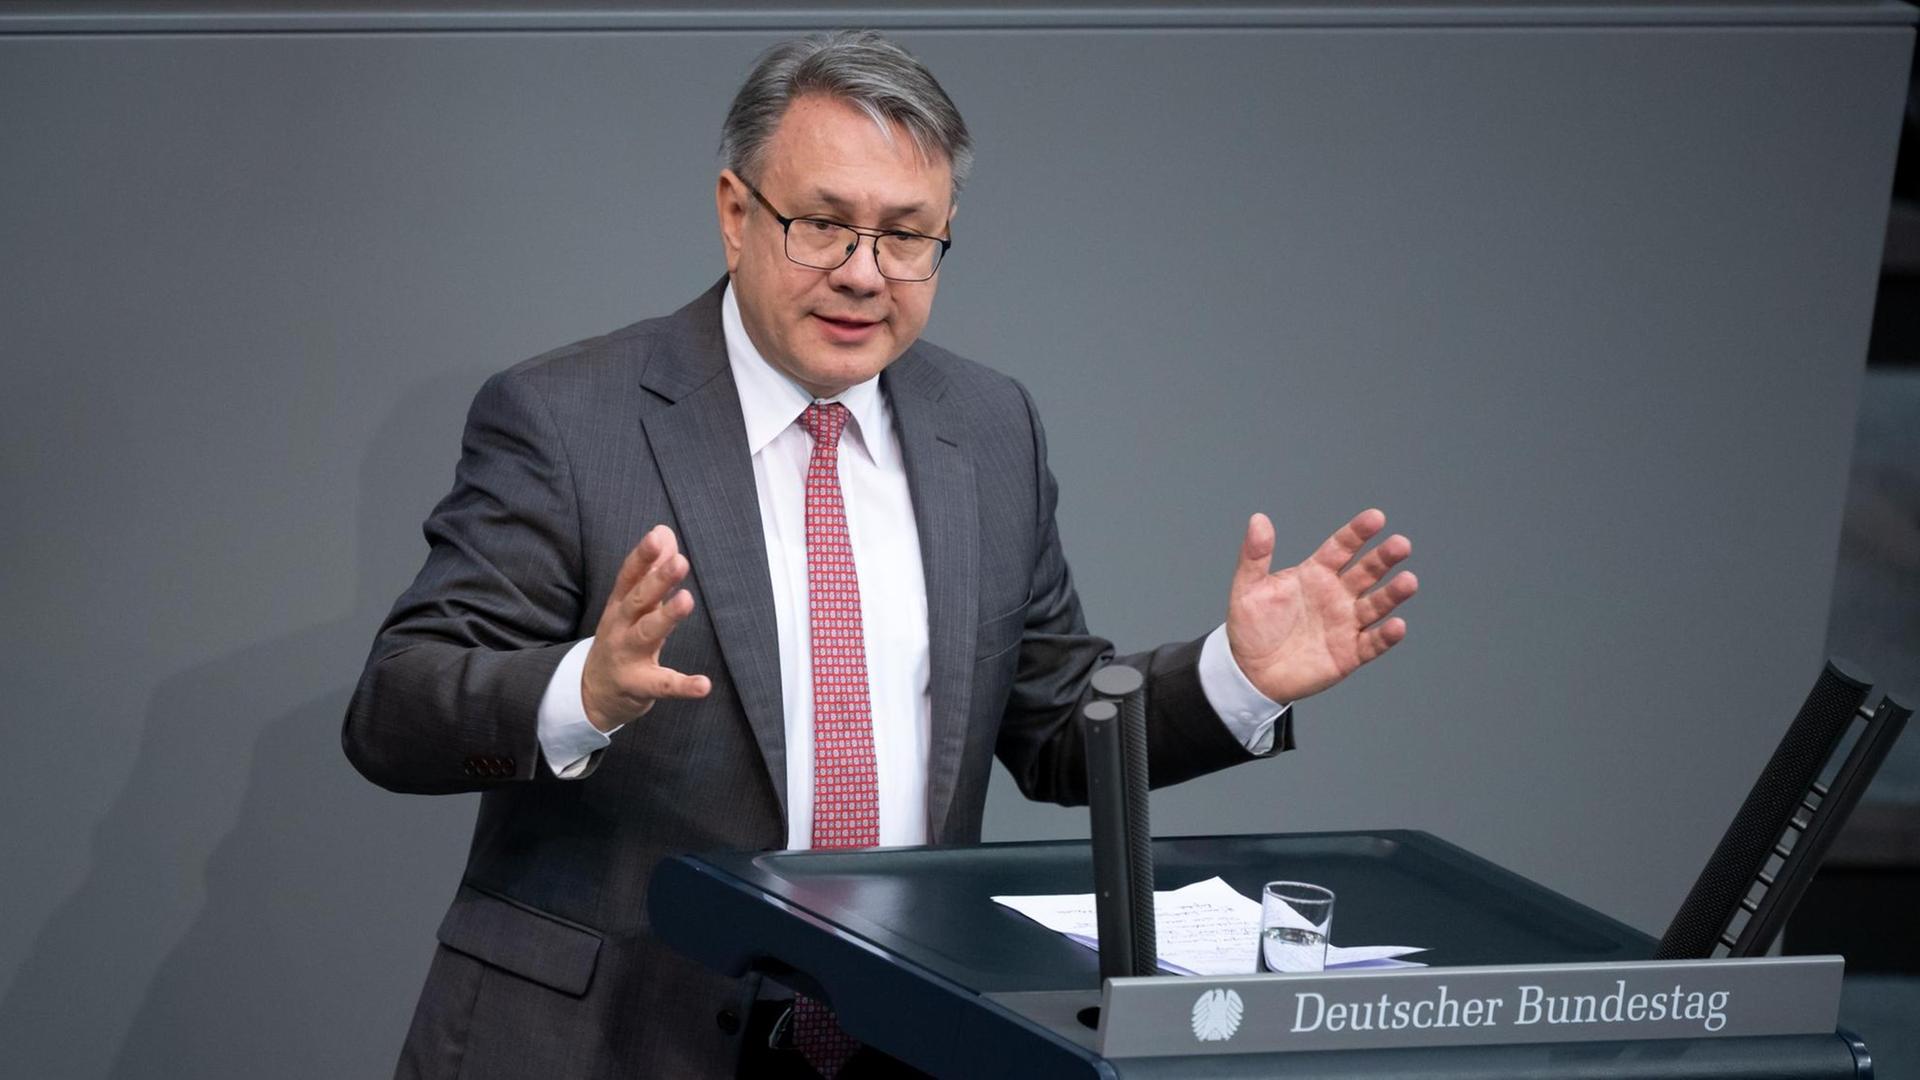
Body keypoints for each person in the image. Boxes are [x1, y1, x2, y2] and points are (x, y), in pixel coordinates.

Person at [344, 29, 1417, 1080]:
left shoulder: (989, 428)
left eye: (907, 236)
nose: (864, 274)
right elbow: (393, 715)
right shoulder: (567, 417)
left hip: (895, 1042)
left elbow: (1052, 727)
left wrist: (1236, 677)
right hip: (607, 1041)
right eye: (823, 224)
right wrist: (583, 688)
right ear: (734, 213)